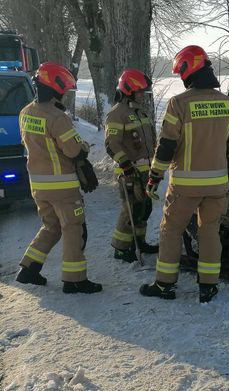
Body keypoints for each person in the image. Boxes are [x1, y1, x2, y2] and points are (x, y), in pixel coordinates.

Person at [140, 45, 229, 303]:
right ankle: (208, 287)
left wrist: (154, 176)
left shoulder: (178, 104)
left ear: (188, 71)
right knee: (209, 232)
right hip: (218, 186)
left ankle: (165, 285)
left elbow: (167, 146)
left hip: (185, 186)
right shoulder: (228, 103)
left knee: (171, 230)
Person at [15, 62, 102, 294]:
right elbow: (74, 150)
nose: (65, 94)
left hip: (38, 185)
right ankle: (75, 280)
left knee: (51, 226)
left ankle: (29, 268)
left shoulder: (25, 112)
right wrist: (84, 146)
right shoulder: (57, 117)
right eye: (64, 90)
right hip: (62, 186)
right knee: (74, 228)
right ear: (56, 88)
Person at [105, 69, 158, 262]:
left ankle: (139, 242)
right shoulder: (117, 114)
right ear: (129, 90)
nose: (143, 95)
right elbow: (111, 144)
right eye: (140, 91)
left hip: (146, 172)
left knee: (145, 208)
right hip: (130, 173)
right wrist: (126, 165)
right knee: (131, 211)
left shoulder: (140, 111)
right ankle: (121, 248)